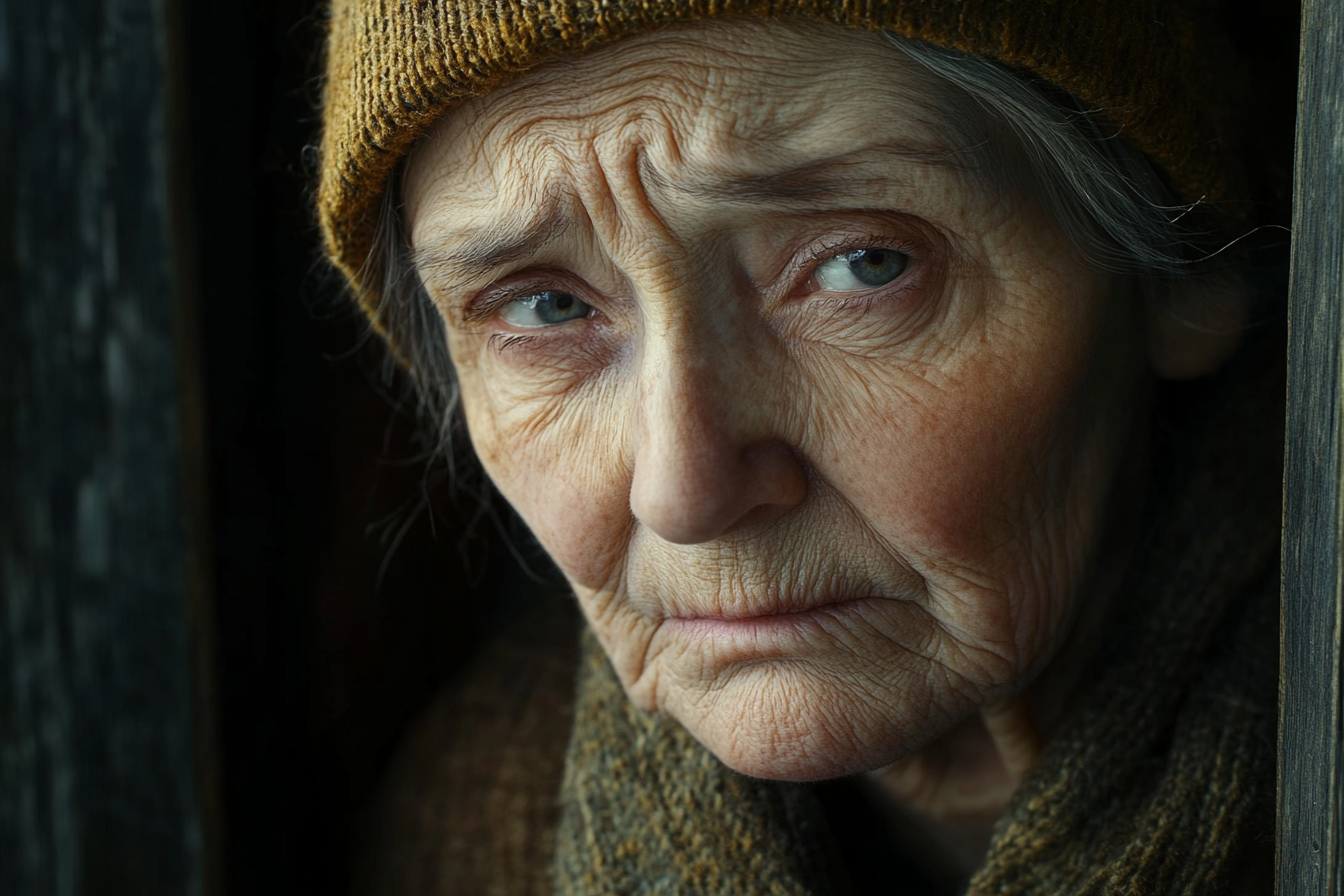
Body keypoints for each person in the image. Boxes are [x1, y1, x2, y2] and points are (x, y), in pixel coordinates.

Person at [317, 2, 1285, 893]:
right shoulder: (473, 825)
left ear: (1178, 273)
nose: (683, 490)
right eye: (548, 306)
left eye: (862, 266)